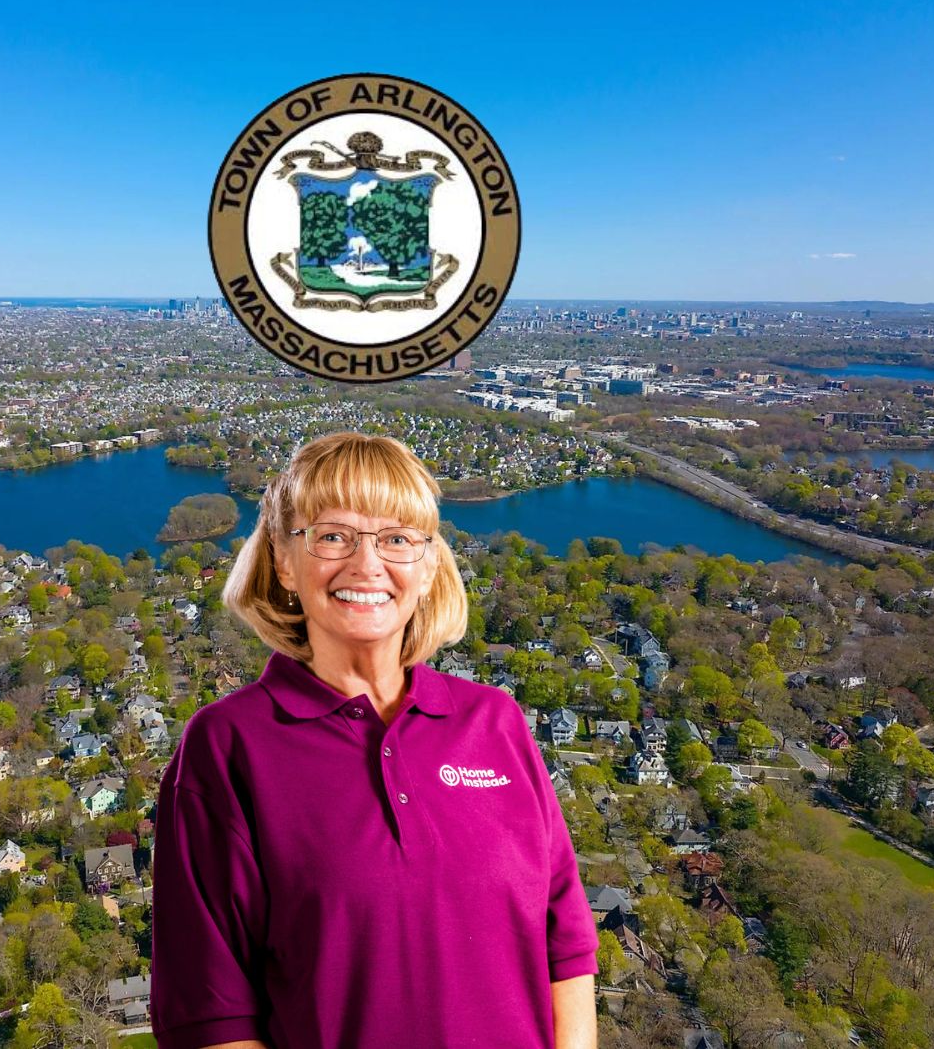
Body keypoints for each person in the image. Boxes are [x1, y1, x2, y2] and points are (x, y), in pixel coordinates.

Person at [150, 432, 600, 1049]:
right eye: (332, 536)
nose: (367, 566)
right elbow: (209, 1014)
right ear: (284, 559)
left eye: (396, 539)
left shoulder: (495, 723)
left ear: (428, 564)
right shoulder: (228, 747)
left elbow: (566, 947)